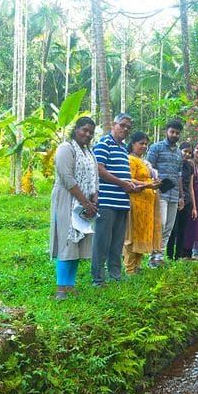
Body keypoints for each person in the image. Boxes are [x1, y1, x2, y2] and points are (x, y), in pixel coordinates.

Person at [49, 117, 99, 300]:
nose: (87, 134)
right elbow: (67, 178)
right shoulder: (66, 149)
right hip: (67, 200)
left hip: (85, 203)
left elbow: (95, 178)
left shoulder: (89, 152)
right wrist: (85, 202)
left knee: (78, 241)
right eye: (84, 130)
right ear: (76, 129)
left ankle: (70, 285)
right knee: (67, 240)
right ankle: (61, 288)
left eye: (91, 132)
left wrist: (94, 199)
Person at [91, 113, 136, 287]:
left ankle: (116, 276)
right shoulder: (104, 143)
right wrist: (122, 183)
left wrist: (134, 185)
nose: (125, 129)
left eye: (128, 127)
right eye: (122, 125)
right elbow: (99, 170)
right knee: (102, 242)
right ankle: (98, 279)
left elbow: (124, 175)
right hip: (107, 202)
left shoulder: (123, 148)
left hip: (122, 202)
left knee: (117, 244)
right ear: (114, 124)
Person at [146, 120, 184, 267]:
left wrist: (181, 196)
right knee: (159, 224)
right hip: (159, 192)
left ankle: (159, 257)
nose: (174, 135)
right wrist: (155, 182)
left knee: (168, 226)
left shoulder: (179, 153)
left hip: (174, 194)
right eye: (172, 132)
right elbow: (148, 167)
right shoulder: (156, 148)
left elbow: (179, 175)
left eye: (177, 133)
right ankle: (153, 258)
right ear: (166, 131)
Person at [123, 131, 162, 274]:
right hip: (136, 202)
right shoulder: (130, 159)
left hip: (147, 205)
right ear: (133, 144)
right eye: (141, 143)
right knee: (133, 235)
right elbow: (128, 179)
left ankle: (137, 266)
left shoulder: (143, 161)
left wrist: (154, 182)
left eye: (146, 144)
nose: (144, 146)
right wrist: (148, 185)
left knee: (143, 233)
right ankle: (129, 268)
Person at [167, 141, 192, 260]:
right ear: (179, 151)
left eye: (189, 152)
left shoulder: (189, 166)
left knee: (183, 229)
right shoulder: (175, 163)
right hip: (173, 198)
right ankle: (169, 255)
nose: (187, 154)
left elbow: (191, 186)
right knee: (172, 229)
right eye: (185, 151)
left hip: (187, 201)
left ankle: (178, 256)